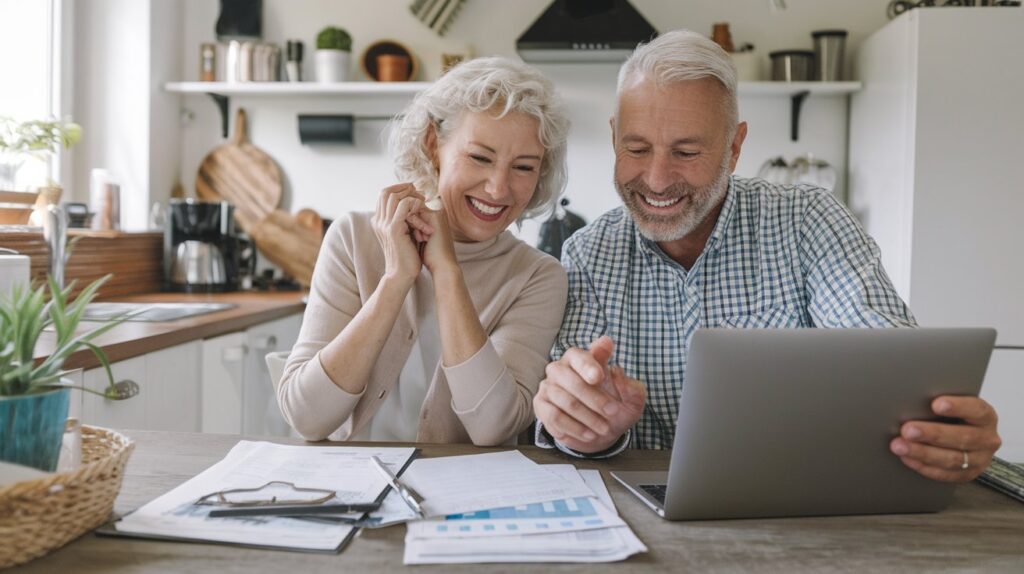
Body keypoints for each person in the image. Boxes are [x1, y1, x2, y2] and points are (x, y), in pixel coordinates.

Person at [532, 30, 1001, 483]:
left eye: (686, 152)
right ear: (616, 138)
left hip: (800, 502)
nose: (656, 179)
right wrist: (586, 426)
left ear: (734, 148)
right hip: (644, 517)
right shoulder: (587, 254)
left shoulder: (806, 221)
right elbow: (572, 416)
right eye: (636, 148)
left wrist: (940, 423)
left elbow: (887, 359)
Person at [279, 57, 570, 446]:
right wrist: (396, 278)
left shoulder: (538, 276)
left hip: (464, 496)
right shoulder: (353, 238)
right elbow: (306, 417)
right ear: (434, 145)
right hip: (350, 490)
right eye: (480, 157)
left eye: (523, 167)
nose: (499, 189)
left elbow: (493, 428)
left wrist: (446, 270)